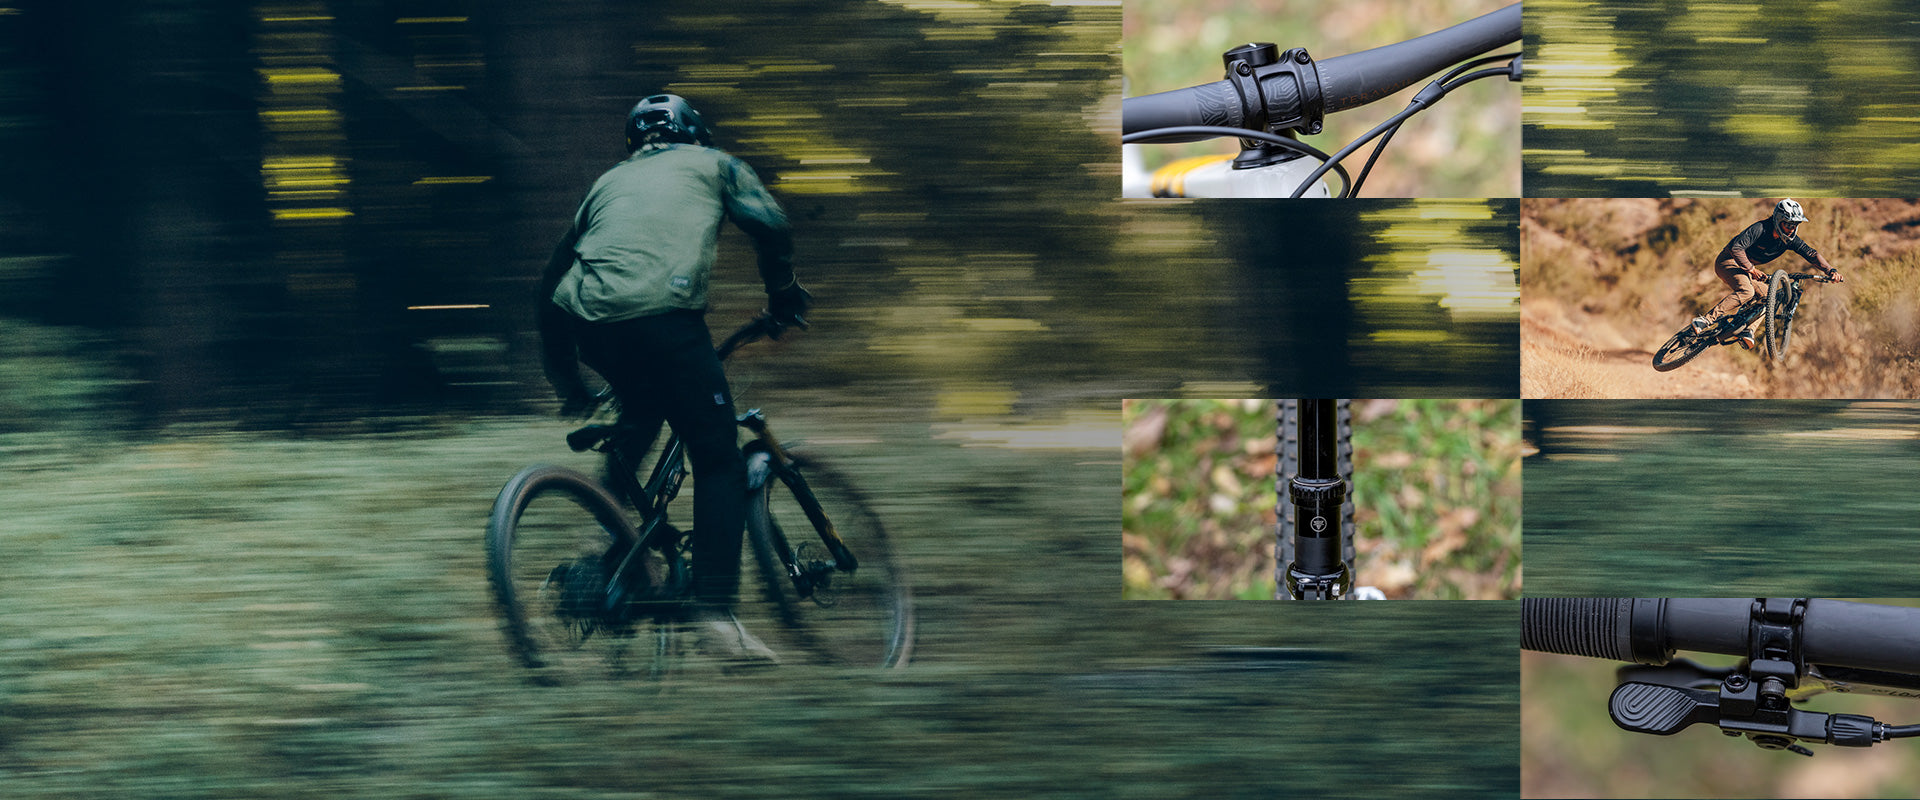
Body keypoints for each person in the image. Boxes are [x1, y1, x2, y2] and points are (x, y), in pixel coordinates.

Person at [538, 93, 811, 664]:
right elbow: (772, 225)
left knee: (640, 412)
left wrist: (569, 382)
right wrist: (783, 296)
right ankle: (713, 613)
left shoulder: (608, 182)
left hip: (590, 326)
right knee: (718, 458)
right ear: (695, 134)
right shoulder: (716, 164)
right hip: (666, 321)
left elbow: (550, 281)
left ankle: (603, 545)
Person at [1691, 199, 1843, 349]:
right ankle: (1705, 320)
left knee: (1769, 297)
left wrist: (1831, 270)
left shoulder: (1789, 240)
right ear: (1778, 219)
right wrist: (1751, 269)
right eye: (1788, 224)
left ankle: (1748, 330)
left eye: (1795, 224)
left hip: (1747, 270)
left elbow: (1811, 254)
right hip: (1728, 262)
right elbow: (1737, 248)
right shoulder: (1760, 228)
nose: (1792, 228)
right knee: (1747, 291)